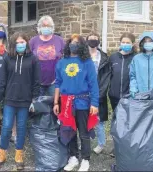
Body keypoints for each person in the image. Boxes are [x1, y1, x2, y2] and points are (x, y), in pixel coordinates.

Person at [0, 32, 40, 170]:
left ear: (27, 43)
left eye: (23, 42)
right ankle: (2, 153)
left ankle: (19, 154)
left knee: (20, 128)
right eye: (18, 42)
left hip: (25, 101)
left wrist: (34, 100)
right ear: (14, 44)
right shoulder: (8, 58)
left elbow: (36, 82)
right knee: (6, 127)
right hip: (10, 99)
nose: (21, 44)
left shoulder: (33, 59)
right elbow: (2, 81)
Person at [53, 34, 99, 171]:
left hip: (82, 101)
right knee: (69, 131)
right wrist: (56, 102)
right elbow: (58, 83)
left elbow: (93, 84)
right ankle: (73, 157)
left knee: (83, 132)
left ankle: (85, 159)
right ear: (68, 45)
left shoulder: (87, 62)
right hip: (66, 102)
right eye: (72, 42)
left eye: (77, 43)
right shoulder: (62, 62)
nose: (74, 45)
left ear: (82, 46)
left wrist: (94, 103)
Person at [108, 32, 137, 157]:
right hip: (114, 97)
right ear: (120, 43)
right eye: (123, 42)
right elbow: (107, 76)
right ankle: (116, 147)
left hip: (129, 97)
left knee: (129, 123)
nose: (125, 44)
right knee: (117, 123)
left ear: (132, 44)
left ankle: (127, 148)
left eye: (128, 43)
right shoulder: (113, 57)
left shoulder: (136, 58)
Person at [0, 23, 17, 147]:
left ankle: (14, 133)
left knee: (11, 107)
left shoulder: (9, 48)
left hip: (9, 81)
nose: (0, 32)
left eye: (2, 30)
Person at [86, 32, 110, 154]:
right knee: (84, 120)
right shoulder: (83, 56)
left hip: (99, 94)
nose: (93, 41)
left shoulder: (104, 57)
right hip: (84, 93)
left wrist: (99, 95)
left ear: (99, 41)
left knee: (98, 121)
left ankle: (101, 144)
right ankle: (86, 144)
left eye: (95, 39)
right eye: (91, 39)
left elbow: (106, 78)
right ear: (87, 41)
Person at [29, 15, 65, 96]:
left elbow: (66, 57)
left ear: (52, 27)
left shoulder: (59, 40)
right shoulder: (33, 41)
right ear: (39, 27)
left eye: (48, 25)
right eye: (43, 26)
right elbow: (28, 58)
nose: (46, 27)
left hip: (54, 82)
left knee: (54, 106)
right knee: (38, 107)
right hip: (37, 82)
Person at [130, 31, 153, 96]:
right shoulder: (136, 59)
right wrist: (133, 87)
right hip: (141, 95)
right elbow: (132, 76)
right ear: (142, 43)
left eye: (150, 41)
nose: (148, 43)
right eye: (145, 41)